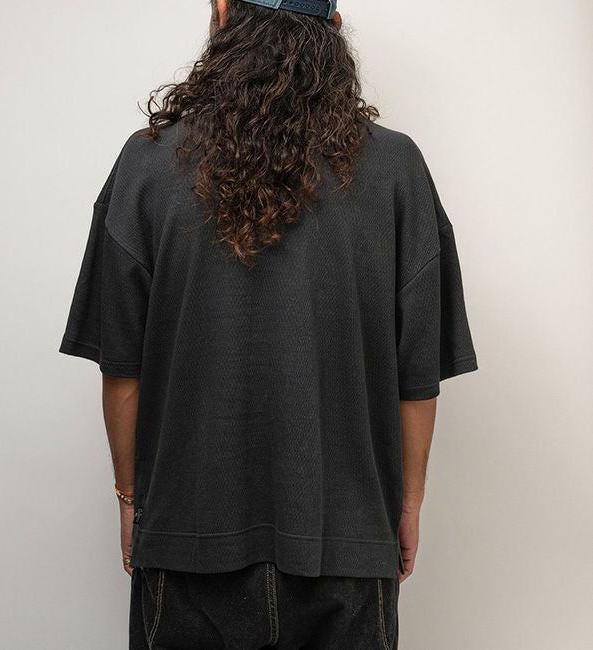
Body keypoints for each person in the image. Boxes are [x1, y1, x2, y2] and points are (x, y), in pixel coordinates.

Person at [59, 0, 478, 647]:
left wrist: (130, 501)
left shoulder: (147, 163)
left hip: (186, 546)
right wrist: (408, 505)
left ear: (223, 15)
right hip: (347, 550)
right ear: (332, 29)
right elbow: (416, 376)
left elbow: (123, 370)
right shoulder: (397, 169)